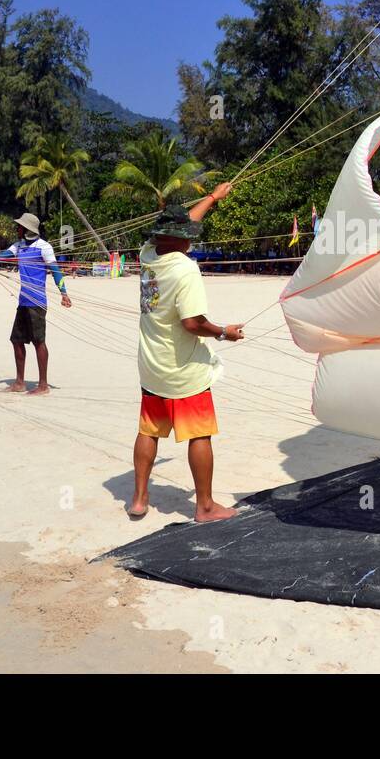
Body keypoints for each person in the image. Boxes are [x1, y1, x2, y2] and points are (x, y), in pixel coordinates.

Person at [129, 184, 242, 523]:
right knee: (199, 433)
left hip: (151, 364)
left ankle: (138, 498)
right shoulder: (185, 270)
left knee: (149, 429)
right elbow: (193, 323)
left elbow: (176, 227)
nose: (191, 239)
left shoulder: (148, 254)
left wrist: (212, 198)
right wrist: (224, 333)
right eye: (188, 234)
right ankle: (205, 506)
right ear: (179, 239)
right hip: (182, 369)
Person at [0, 212, 71, 395]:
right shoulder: (19, 246)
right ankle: (19, 382)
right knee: (16, 340)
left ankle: (43, 385)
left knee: (39, 341)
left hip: (37, 302)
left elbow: (55, 271)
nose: (17, 228)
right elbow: (3, 256)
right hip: (23, 301)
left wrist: (64, 293)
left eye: (20, 226)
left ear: (26, 229)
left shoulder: (44, 247)